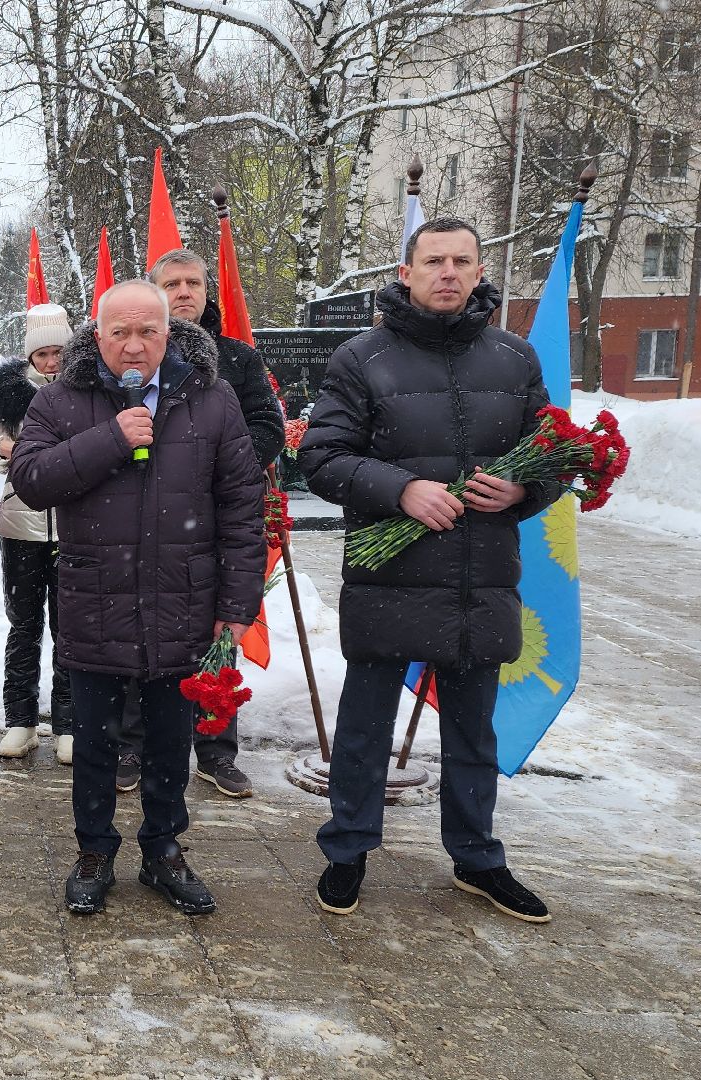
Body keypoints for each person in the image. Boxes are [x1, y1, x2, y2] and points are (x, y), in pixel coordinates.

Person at [297, 218, 561, 923]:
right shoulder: (362, 358)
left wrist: (524, 491)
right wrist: (399, 489)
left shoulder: (513, 358)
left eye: (461, 261)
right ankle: (346, 850)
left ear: (479, 273)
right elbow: (319, 458)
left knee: (474, 731)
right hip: (391, 575)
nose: (447, 272)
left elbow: (553, 456)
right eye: (433, 260)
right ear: (406, 272)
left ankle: (477, 857)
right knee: (363, 727)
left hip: (482, 577)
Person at [9, 280, 264, 917]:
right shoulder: (65, 400)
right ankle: (94, 851)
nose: (133, 345)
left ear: (167, 336)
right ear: (96, 337)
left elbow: (241, 505)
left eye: (147, 332)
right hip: (96, 599)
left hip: (184, 602)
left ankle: (163, 850)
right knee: (95, 742)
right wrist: (112, 438)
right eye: (119, 332)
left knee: (169, 739)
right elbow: (31, 481)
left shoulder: (211, 399)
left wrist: (237, 602)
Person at [121, 248, 286, 799]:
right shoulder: (131, 356)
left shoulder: (237, 358)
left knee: (214, 634)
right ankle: (133, 745)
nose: (185, 292)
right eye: (173, 283)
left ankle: (216, 748)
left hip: (214, 517)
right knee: (137, 628)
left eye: (194, 282)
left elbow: (267, 426)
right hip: (142, 519)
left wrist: (221, 461)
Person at [0, 303, 73, 762]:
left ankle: (68, 722)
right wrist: (5, 447)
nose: (51, 362)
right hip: (21, 523)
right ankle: (20, 719)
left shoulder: (85, 388)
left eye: (58, 351)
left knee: (69, 627)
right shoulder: (12, 394)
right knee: (24, 624)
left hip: (74, 528)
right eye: (42, 354)